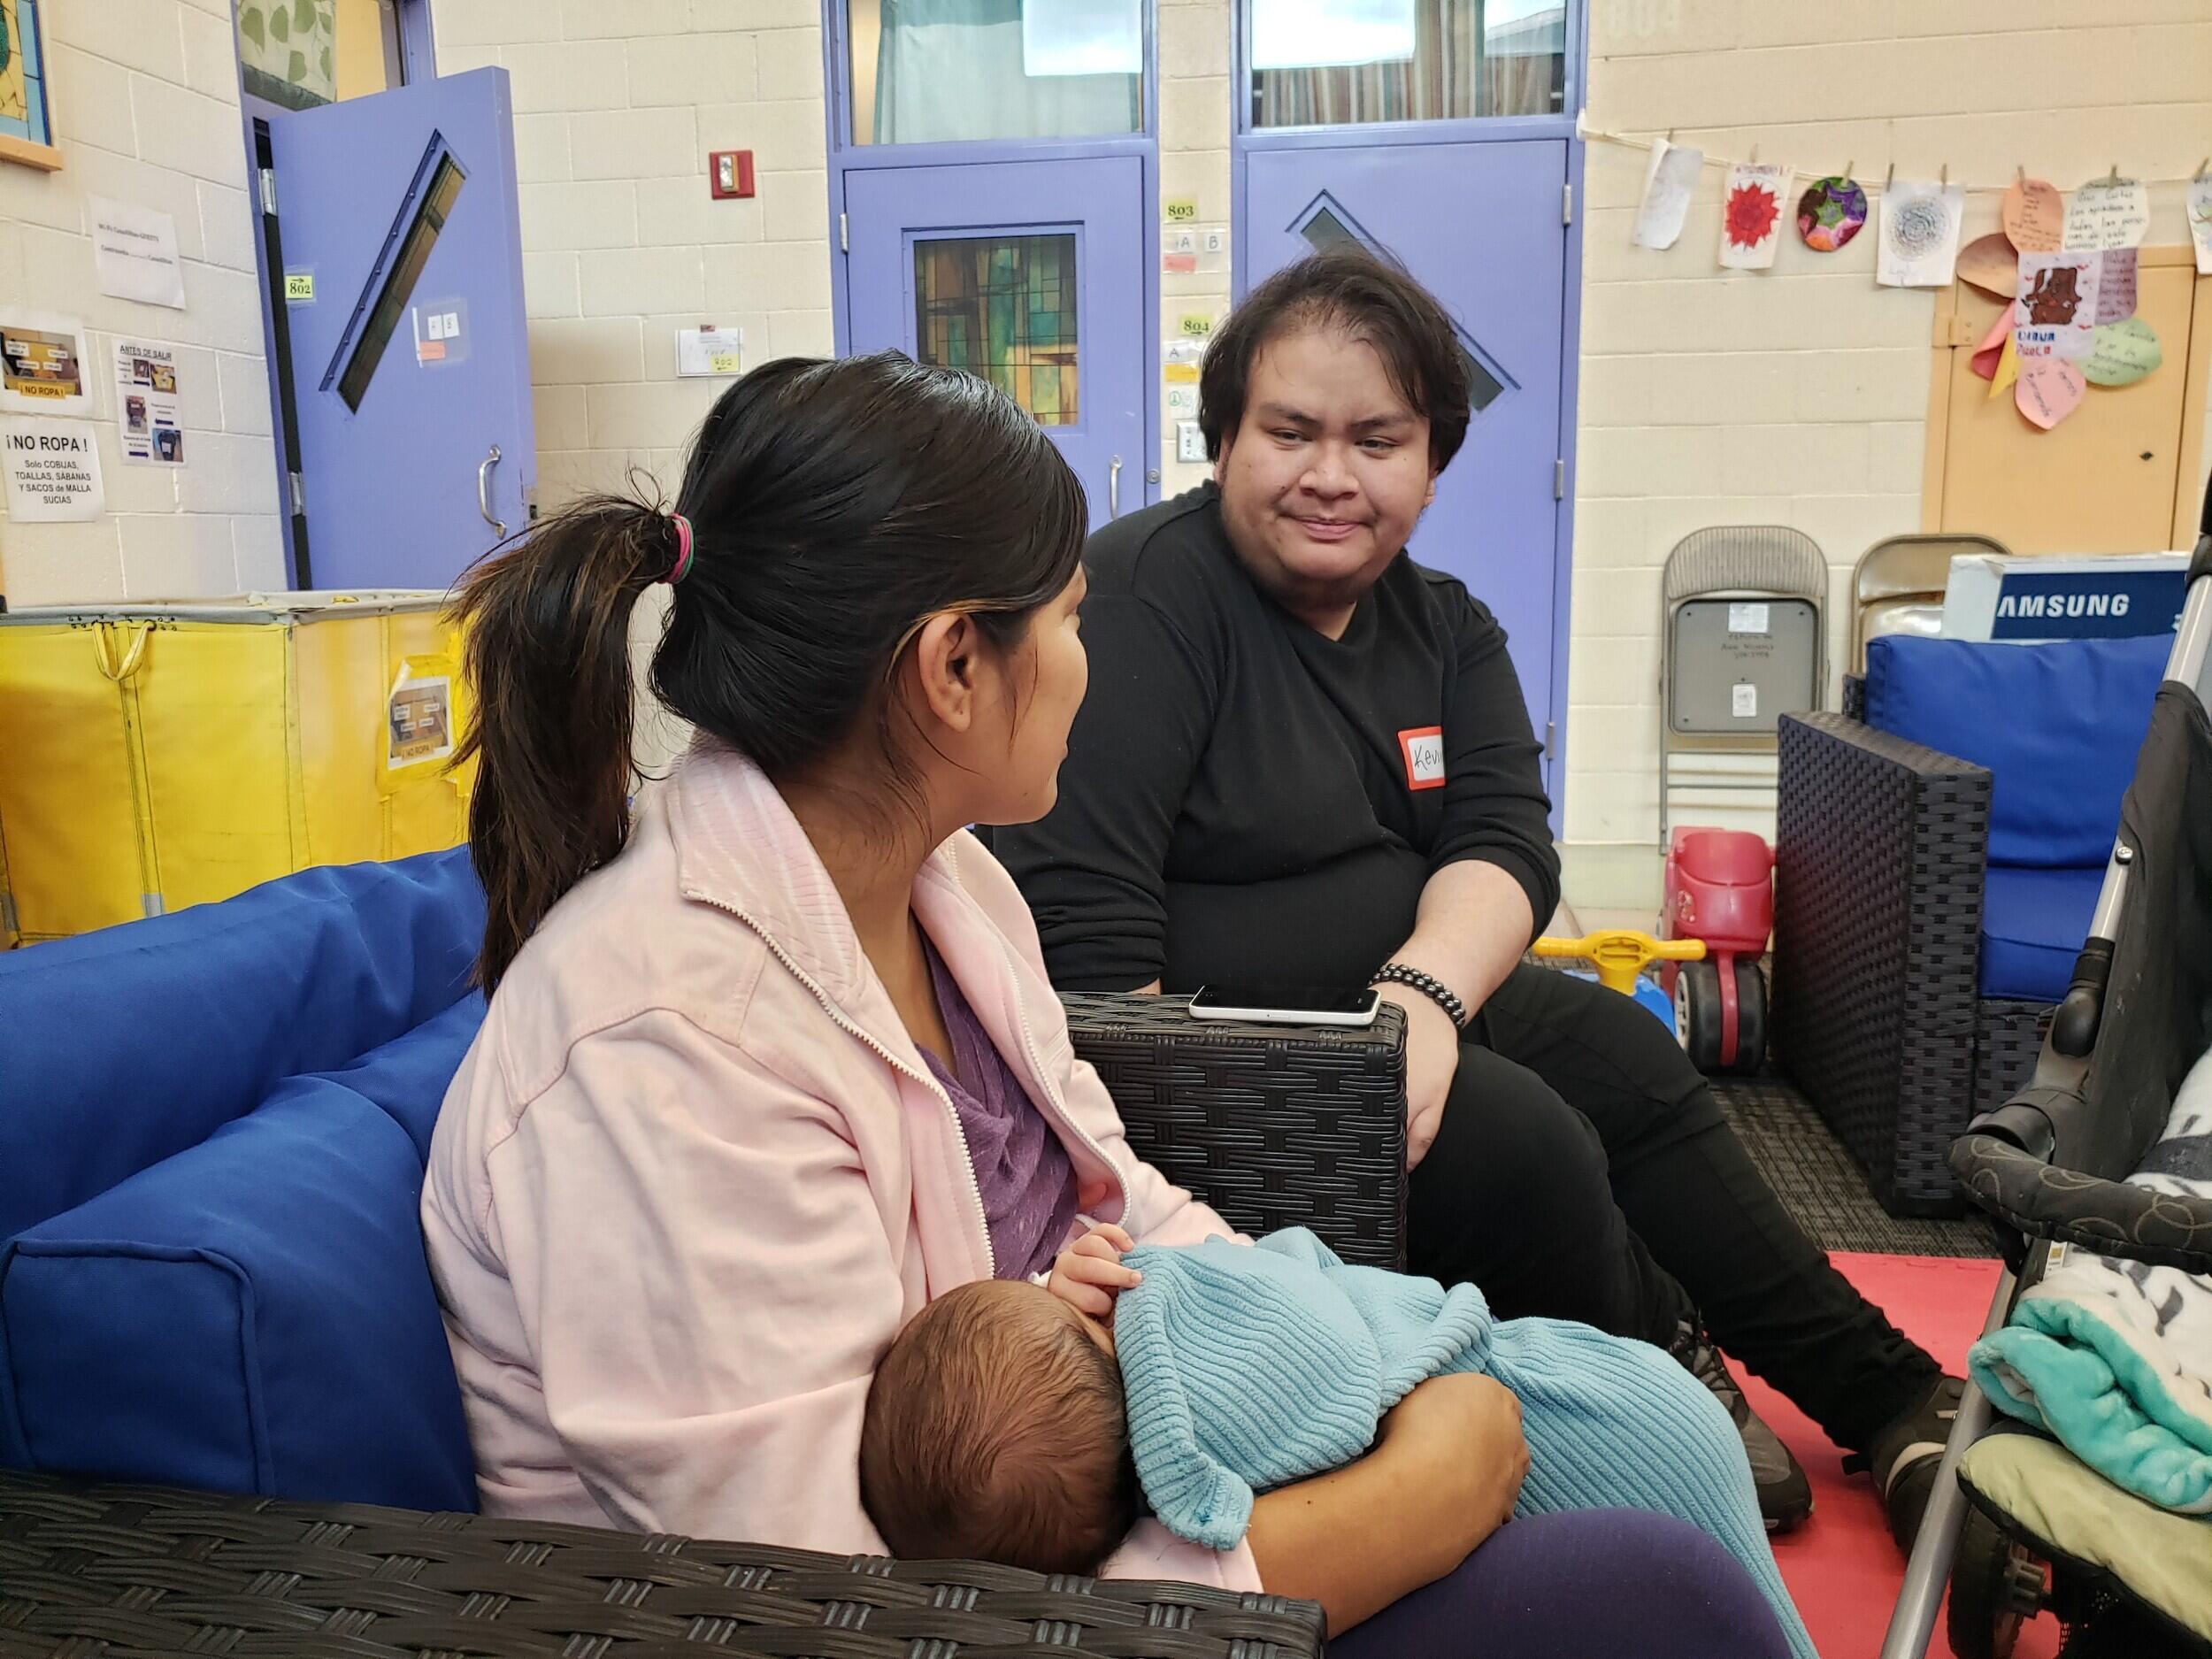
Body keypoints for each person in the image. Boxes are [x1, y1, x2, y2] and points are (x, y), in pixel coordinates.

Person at [420, 350, 1792, 1658]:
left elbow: (1111, 1193)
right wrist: (1396, 1503)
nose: (1091, 662)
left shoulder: (942, 879)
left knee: (1652, 1421)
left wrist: (1341, 1355)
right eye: (1072, 620)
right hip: (983, 1593)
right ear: (954, 665)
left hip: (1115, 1466)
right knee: (1658, 1587)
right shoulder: (660, 1050)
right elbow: (842, 1607)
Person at [991, 246, 1962, 1540]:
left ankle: (1886, 1391)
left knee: (1627, 1053)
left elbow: (1508, 840)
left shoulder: (1442, 623)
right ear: (1223, 438)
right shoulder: (1143, 604)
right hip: (1232, 1075)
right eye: (1289, 431)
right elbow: (1100, 971)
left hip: (1398, 1010)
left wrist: (1421, 995)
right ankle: (1655, 1375)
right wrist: (1339, 1069)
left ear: (1431, 463)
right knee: (1523, 1139)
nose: (1331, 473)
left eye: (1376, 439)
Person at [859, 1224, 1812, 1659]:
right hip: (1603, 1423)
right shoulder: (1180, 1368)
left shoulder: (984, 913)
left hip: (1582, 1409)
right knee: (1701, 1588)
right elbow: (1305, 1290)